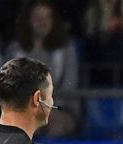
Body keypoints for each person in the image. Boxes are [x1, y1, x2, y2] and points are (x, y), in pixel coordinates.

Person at [7, 1, 79, 136]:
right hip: (24, 108)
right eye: (37, 17)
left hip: (61, 107)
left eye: (47, 17)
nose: (43, 22)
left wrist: (46, 108)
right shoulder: (15, 50)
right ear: (28, 20)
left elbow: (70, 85)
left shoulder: (66, 49)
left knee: (54, 123)